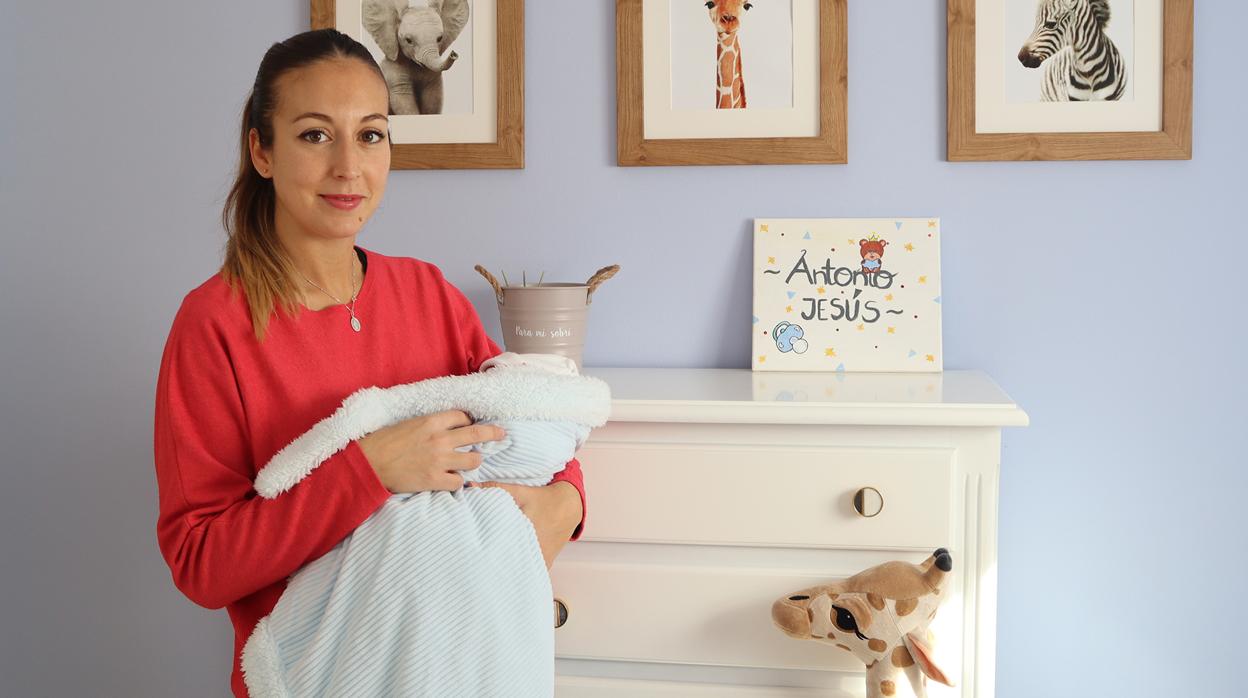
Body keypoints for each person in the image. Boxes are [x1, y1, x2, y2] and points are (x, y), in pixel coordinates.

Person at [152, 28, 586, 697]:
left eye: (372, 135)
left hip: (455, 667)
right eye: (315, 135)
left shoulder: (430, 295)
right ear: (262, 151)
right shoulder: (215, 324)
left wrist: (568, 502)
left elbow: (530, 419)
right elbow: (200, 563)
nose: (348, 167)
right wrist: (370, 471)